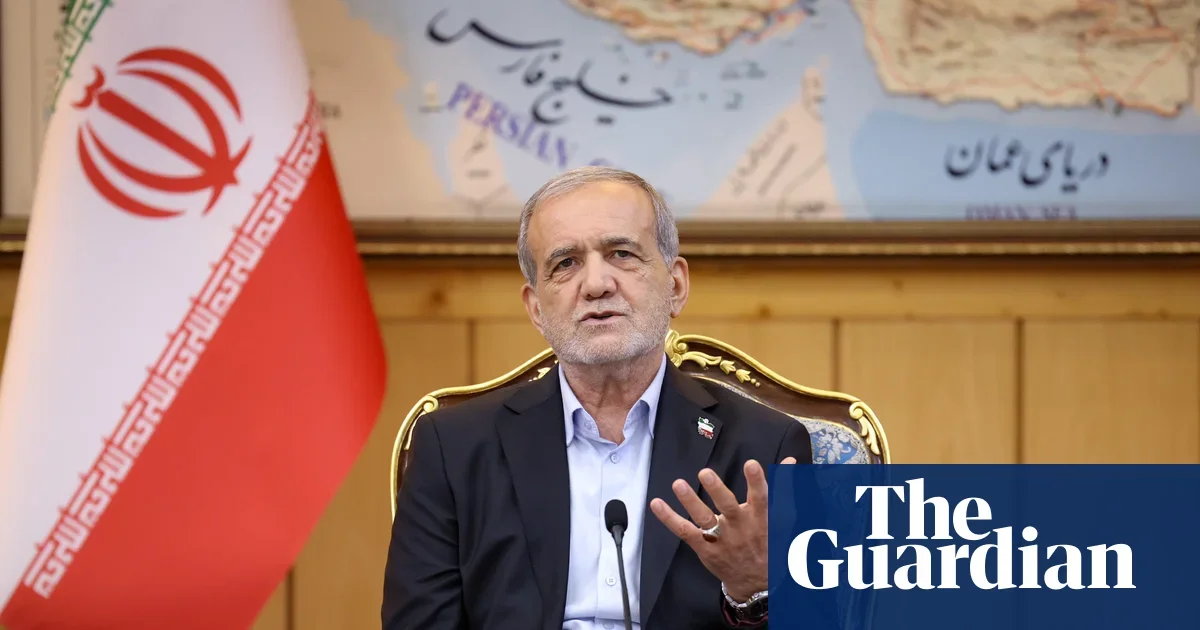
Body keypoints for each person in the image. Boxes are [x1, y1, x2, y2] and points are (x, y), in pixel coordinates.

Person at [381, 166, 813, 629]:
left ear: (675, 286)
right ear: (536, 308)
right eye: (565, 263)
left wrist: (752, 591)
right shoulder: (454, 447)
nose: (595, 284)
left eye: (621, 254)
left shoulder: (767, 446)